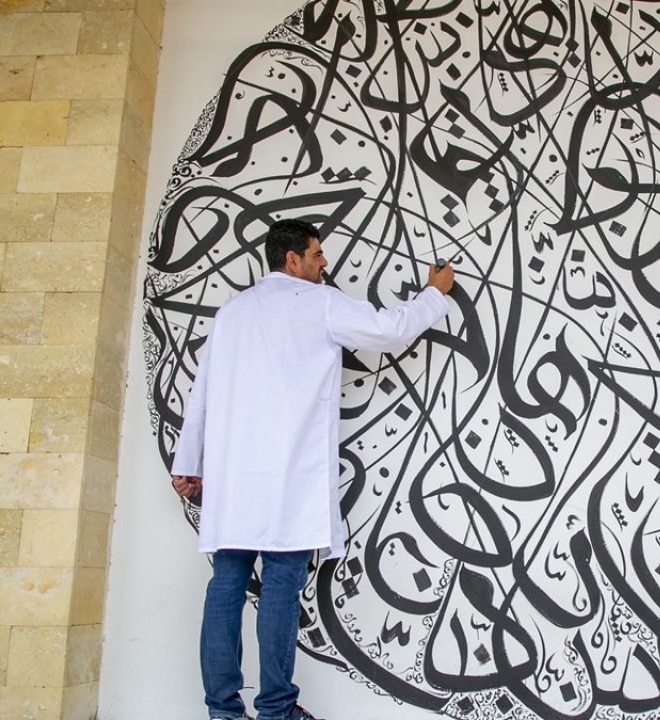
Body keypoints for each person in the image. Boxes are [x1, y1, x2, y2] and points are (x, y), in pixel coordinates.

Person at [170, 218, 454, 720]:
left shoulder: (231, 312)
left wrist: (188, 462)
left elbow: (201, 393)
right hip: (288, 480)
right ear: (292, 259)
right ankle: (276, 711)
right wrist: (434, 293)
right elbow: (389, 330)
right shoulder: (319, 303)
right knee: (280, 588)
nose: (325, 262)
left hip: (234, 482)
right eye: (317, 254)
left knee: (226, 586)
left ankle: (223, 713)